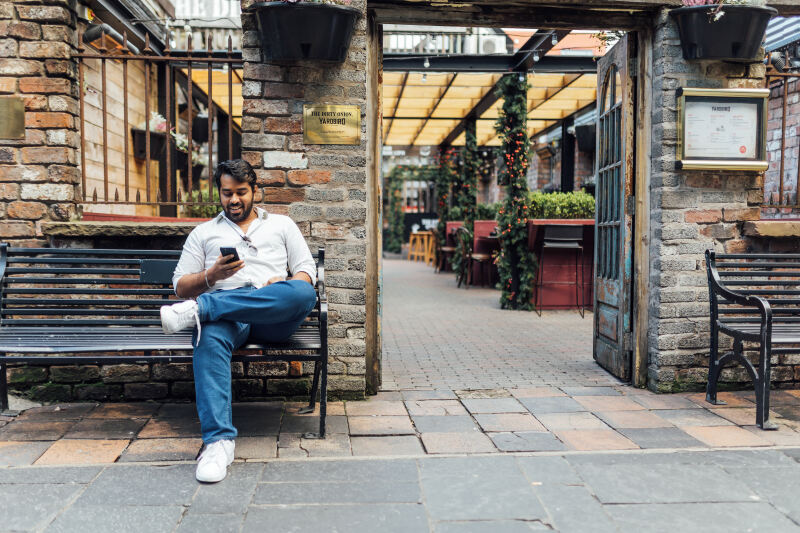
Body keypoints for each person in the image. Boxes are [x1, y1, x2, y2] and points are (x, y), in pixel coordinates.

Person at [159, 159, 317, 483]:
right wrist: (211, 274)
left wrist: (278, 284)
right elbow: (179, 286)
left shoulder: (283, 226)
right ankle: (218, 443)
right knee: (209, 335)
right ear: (219, 193)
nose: (234, 200)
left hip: (271, 312)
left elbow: (306, 274)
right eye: (227, 193)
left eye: (241, 192)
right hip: (229, 319)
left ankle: (204, 308)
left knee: (301, 294)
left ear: (255, 190)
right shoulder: (204, 233)